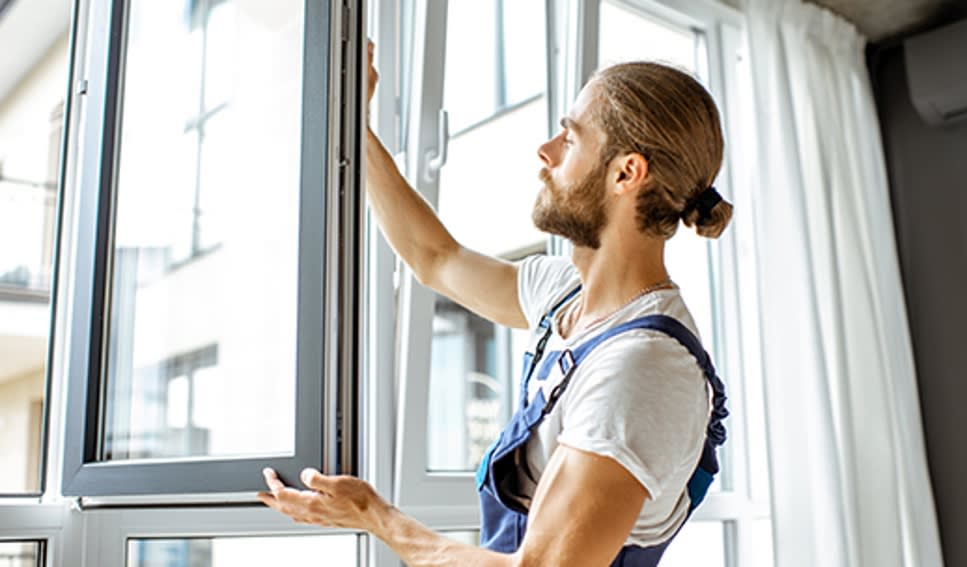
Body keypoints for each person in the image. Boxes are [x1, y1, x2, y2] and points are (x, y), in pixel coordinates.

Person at [258, 40, 731, 567]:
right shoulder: (564, 295)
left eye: (569, 138)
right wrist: (357, 129)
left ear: (626, 174)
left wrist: (376, 517)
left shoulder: (642, 368)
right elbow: (434, 257)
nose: (546, 151)